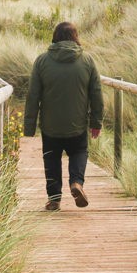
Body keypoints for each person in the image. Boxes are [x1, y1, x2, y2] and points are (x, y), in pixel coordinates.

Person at [23, 21, 104, 211]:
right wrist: (96, 122)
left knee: (51, 158)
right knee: (79, 152)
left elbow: (33, 95)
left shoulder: (42, 61)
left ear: (55, 37)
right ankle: (76, 183)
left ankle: (54, 199)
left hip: (50, 125)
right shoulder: (87, 61)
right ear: (76, 37)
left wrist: (29, 128)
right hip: (77, 124)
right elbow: (96, 94)